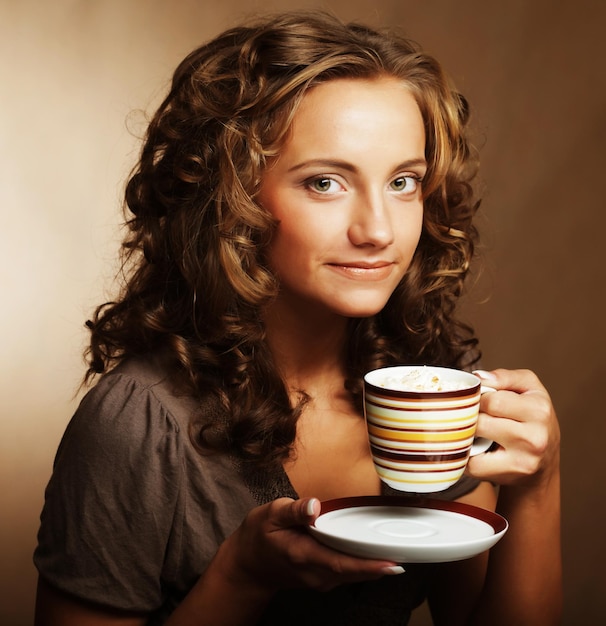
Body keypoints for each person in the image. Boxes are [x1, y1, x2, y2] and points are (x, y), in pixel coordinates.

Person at [33, 11, 562, 626]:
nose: (378, 231)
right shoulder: (139, 424)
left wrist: (538, 487)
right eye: (326, 183)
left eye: (403, 182)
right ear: (229, 197)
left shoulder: (434, 392)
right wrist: (240, 576)